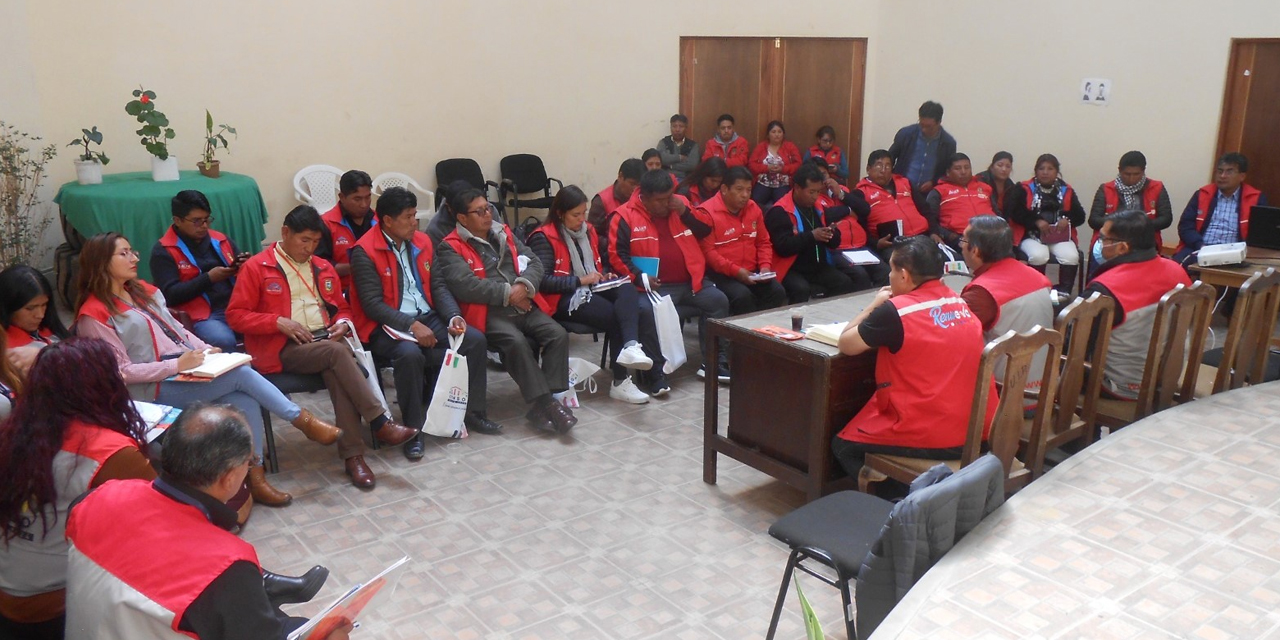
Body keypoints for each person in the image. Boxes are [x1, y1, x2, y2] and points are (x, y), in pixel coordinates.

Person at [74, 232, 337, 507]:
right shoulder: (94, 315)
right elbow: (121, 372)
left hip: (184, 373)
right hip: (149, 391)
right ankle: (300, 419)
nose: (134, 258)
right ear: (101, 262)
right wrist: (176, 365)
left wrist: (206, 349)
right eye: (124, 253)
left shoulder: (142, 291)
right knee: (241, 374)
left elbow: (178, 331)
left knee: (243, 398)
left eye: (132, 251)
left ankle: (255, 477)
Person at [65, 404, 354, 640]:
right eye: (250, 461)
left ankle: (265, 593)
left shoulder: (93, 499)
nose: (250, 467)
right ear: (229, 478)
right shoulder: (226, 564)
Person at [227, 206, 415, 489]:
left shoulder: (323, 267)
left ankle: (354, 457)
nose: (309, 248)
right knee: (336, 354)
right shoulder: (257, 267)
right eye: (304, 240)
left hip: (323, 343)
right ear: (285, 233)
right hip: (283, 347)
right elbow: (235, 315)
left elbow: (342, 307)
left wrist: (342, 322)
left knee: (336, 365)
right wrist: (277, 322)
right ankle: (380, 422)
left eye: (315, 242)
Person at [0, 338, 155, 639]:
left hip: (8, 592)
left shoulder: (16, 432)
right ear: (101, 384)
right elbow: (159, 521)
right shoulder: (109, 451)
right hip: (54, 605)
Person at [350, 187, 503, 460]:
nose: (414, 222)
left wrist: (454, 316)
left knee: (475, 340)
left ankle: (474, 413)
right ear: (386, 220)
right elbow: (373, 305)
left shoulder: (422, 241)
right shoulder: (364, 251)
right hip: (387, 323)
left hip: (426, 316)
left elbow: (438, 285)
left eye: (415, 215)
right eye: (408, 217)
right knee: (409, 355)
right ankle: (413, 429)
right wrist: (411, 326)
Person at [830, 236, 995, 477]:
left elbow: (847, 344)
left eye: (892, 271)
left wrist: (873, 305)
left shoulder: (896, 310)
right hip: (978, 425)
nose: (890, 277)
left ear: (904, 276)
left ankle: (897, 502)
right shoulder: (958, 300)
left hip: (936, 433)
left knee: (842, 447)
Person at [436, 187, 579, 433]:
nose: (487, 215)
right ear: (462, 218)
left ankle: (542, 406)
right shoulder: (450, 247)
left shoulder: (503, 233)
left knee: (557, 334)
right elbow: (466, 286)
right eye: (479, 212)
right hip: (490, 313)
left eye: (488, 208)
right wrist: (509, 295)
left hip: (524, 304)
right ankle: (547, 403)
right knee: (516, 342)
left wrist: (524, 287)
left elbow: (534, 262)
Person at [527, 186, 660, 404]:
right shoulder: (543, 237)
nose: (581, 219)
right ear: (560, 213)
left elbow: (599, 262)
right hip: (562, 299)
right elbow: (542, 282)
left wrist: (604, 273)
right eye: (575, 215)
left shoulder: (588, 231)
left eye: (584, 213)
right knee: (617, 315)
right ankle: (620, 381)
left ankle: (631, 347)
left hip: (590, 288)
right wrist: (580, 281)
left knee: (626, 286)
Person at [604, 170, 730, 382]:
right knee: (646, 311)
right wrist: (640, 277)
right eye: (660, 200)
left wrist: (686, 212)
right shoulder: (624, 215)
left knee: (719, 301)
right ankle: (655, 372)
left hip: (692, 282)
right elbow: (617, 256)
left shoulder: (679, 204)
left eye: (669, 197)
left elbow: (706, 229)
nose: (667, 204)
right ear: (644, 197)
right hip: (652, 286)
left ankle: (714, 363)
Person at [1087, 210, 1192, 400]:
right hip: (1168, 379)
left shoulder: (1105, 288)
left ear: (1122, 248)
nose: (1099, 243)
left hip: (1116, 386)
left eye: (1103, 238)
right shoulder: (1177, 271)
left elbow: (1080, 346)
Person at [958, 216, 1054, 405]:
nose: (960, 245)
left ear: (975, 250)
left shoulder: (982, 293)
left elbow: (952, 339)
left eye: (963, 240)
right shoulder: (1037, 277)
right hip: (1045, 390)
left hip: (1005, 399)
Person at [149, 190, 249, 353]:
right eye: (196, 221)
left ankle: (265, 372)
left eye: (207, 219)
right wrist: (209, 278)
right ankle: (234, 377)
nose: (204, 226)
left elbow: (245, 276)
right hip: (202, 315)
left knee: (266, 326)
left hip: (236, 305)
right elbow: (170, 295)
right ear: (178, 220)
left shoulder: (220, 239)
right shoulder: (163, 250)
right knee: (222, 340)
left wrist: (244, 266)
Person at [697, 166, 787, 314]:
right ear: (725, 189)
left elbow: (763, 242)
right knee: (742, 296)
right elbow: (709, 254)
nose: (745, 195)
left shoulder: (753, 209)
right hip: (721, 273)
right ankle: (741, 335)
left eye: (749, 190)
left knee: (777, 291)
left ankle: (761, 331)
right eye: (739, 189)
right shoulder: (706, 212)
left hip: (753, 271)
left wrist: (765, 267)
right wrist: (737, 272)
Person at [767, 163, 855, 303]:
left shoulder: (818, 207)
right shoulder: (780, 211)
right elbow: (782, 247)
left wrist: (831, 233)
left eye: (818, 192)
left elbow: (834, 244)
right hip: (791, 267)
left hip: (817, 265)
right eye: (811, 192)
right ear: (797, 188)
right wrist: (812, 236)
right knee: (800, 289)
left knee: (844, 282)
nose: (815, 197)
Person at [1174, 152, 1269, 265]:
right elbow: (1185, 226)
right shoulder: (1202, 194)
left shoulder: (1255, 198)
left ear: (1242, 176)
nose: (1223, 176)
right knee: (1176, 268)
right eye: (1220, 171)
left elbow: (1261, 234)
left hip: (1236, 253)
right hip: (1200, 247)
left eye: (1229, 171)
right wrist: (1199, 244)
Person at [1011, 154, 1086, 294]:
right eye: (1041, 168)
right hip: (1031, 235)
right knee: (1039, 255)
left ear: (1057, 172)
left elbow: (1080, 216)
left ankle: (1064, 292)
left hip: (1058, 236)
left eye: (1050, 169)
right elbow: (1016, 213)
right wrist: (1036, 221)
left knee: (1071, 256)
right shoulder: (1024, 188)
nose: (1045, 172)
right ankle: (1037, 291)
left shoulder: (1066, 190)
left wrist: (1066, 219)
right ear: (1036, 171)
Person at [1087, 151, 1173, 273]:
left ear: (1143, 171)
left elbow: (1166, 219)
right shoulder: (1106, 189)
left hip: (1144, 239)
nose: (1131, 178)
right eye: (1127, 174)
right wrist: (1120, 226)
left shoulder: (1157, 188)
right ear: (1119, 170)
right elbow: (1094, 220)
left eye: (1136, 174)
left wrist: (1138, 226)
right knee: (1100, 253)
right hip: (1112, 237)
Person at [853, 149, 930, 260]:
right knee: (911, 266)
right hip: (892, 245)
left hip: (922, 236)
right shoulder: (860, 193)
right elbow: (858, 227)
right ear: (868, 169)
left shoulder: (904, 182)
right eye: (879, 166)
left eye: (888, 166)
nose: (883, 170)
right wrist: (876, 243)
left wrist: (934, 232)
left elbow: (925, 209)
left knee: (947, 262)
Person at [316, 169, 377, 291]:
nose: (364, 204)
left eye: (368, 197)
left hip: (378, 289)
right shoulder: (326, 224)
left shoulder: (379, 221)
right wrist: (357, 267)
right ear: (342, 197)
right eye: (357, 199)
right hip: (340, 291)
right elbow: (318, 266)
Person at [887, 101, 957, 205]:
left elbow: (948, 172)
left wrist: (934, 182)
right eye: (921, 124)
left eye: (929, 126)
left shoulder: (948, 143)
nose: (924, 130)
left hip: (927, 195)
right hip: (900, 188)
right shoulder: (906, 134)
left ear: (939, 122)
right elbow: (889, 158)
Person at [925, 153, 995, 250]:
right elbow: (930, 219)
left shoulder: (985, 188)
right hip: (961, 237)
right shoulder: (939, 191)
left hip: (992, 234)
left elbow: (997, 212)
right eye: (958, 168)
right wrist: (949, 235)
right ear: (948, 172)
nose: (963, 172)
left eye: (967, 167)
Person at [0, 266, 69, 348]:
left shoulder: (48, 328)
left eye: (44, 305)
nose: (40, 315)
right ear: (7, 307)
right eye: (30, 308)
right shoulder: (8, 351)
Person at [747, 120, 803, 207]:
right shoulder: (761, 147)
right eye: (773, 132)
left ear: (783, 134)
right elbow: (751, 164)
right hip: (763, 182)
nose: (777, 134)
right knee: (755, 203)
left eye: (779, 132)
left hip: (783, 184)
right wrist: (767, 168)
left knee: (783, 206)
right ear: (768, 135)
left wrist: (783, 169)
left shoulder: (790, 146)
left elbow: (798, 164)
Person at [588, 159, 645, 233]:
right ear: (620, 176)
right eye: (632, 184)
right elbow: (593, 235)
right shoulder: (601, 201)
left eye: (638, 185)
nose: (635, 189)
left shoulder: (643, 198)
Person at [975, 151, 1018, 227]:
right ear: (992, 167)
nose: (1004, 169)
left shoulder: (1011, 185)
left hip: (1002, 224)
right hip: (984, 222)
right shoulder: (981, 180)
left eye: (1008, 166)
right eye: (1000, 165)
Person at [657, 114, 700, 181]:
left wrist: (671, 165)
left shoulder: (693, 145)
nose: (677, 129)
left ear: (686, 128)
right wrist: (679, 158)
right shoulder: (664, 142)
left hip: (685, 179)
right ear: (670, 127)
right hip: (665, 178)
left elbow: (692, 165)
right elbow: (660, 159)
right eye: (674, 126)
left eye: (681, 126)